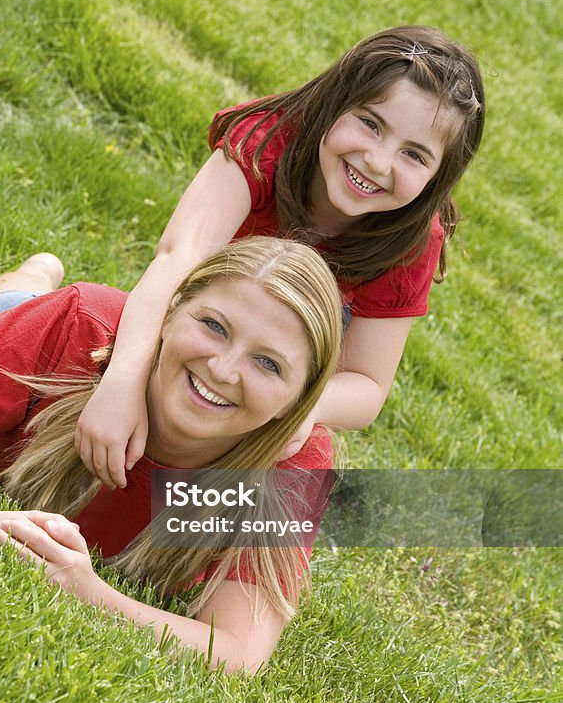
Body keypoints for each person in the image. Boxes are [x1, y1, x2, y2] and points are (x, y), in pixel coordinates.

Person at [0, 239, 341, 674]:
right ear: (169, 311)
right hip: (31, 326)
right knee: (6, 306)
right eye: (214, 326)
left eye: (268, 364)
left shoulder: (294, 467)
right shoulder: (81, 323)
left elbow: (238, 652)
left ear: (300, 400)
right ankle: (31, 278)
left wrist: (88, 591)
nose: (222, 370)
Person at [75, 24, 485, 489]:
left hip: (282, 357)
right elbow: (177, 259)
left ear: (437, 178)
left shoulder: (411, 238)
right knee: (92, 335)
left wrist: (301, 407)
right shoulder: (269, 141)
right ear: (334, 104)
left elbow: (367, 386)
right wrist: (123, 381)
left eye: (414, 155)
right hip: (205, 316)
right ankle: (23, 289)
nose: (378, 161)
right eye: (371, 124)